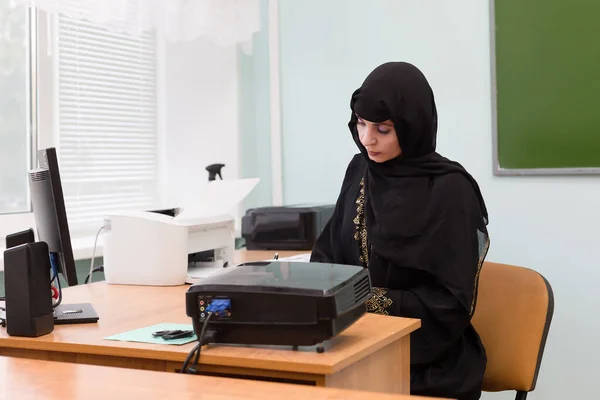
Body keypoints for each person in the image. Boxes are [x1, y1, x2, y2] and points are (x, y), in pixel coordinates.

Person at [310, 62, 490, 400]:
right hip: (352, 347)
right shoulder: (360, 169)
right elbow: (328, 256)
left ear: (412, 127)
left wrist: (360, 301)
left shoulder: (450, 191)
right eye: (361, 124)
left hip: (426, 365)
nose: (367, 140)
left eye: (383, 129)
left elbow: (449, 304)